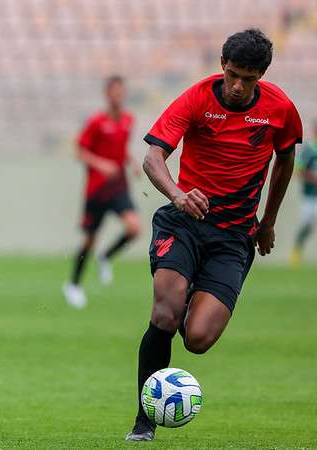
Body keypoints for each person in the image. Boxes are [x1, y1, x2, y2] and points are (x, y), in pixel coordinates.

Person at [125, 29, 302, 441]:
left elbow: (286, 158)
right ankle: (143, 420)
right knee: (165, 315)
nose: (239, 86)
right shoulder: (197, 98)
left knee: (199, 340)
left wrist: (269, 221)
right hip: (183, 223)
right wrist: (177, 194)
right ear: (223, 66)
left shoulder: (280, 109)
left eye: (249, 78)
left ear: (261, 76)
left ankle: (188, 291)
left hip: (235, 235)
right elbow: (152, 157)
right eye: (233, 75)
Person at [63, 76, 141, 308]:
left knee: (134, 228)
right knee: (89, 241)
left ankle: (106, 257)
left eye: (121, 92)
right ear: (107, 95)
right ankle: (73, 285)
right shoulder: (96, 121)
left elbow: (120, 147)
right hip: (97, 189)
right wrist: (101, 164)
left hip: (118, 187)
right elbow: (80, 152)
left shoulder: (128, 120)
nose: (118, 96)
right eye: (114, 92)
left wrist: (132, 162)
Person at [290, 126, 317, 266]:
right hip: (309, 196)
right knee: (307, 224)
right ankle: (297, 249)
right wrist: (312, 179)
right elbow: (298, 170)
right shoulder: (309, 150)